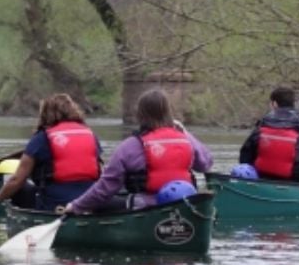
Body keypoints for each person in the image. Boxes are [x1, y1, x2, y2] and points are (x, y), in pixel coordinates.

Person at [65, 89, 213, 214]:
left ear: (141, 115)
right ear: (169, 113)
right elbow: (206, 164)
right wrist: (185, 132)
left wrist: (75, 206)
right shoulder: (185, 139)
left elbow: (106, 187)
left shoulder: (131, 146)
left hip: (145, 206)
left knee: (102, 203)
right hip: (184, 204)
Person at [0, 93, 101, 211]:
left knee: (19, 186)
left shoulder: (42, 137)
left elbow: (17, 179)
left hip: (55, 205)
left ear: (45, 114)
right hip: (90, 201)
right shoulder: (90, 134)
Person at [238, 86, 299, 182]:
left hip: (262, 178)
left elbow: (245, 156)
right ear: (293, 104)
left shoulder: (262, 125)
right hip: (293, 180)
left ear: (274, 104)